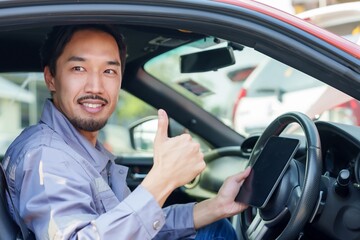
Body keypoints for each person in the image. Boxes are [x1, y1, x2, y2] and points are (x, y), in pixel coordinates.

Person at [3, 24, 251, 239]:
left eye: (109, 71)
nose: (96, 86)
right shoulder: (47, 157)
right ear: (51, 79)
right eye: (79, 68)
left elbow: (127, 225)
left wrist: (216, 206)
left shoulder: (81, 149)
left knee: (215, 227)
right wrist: (162, 180)